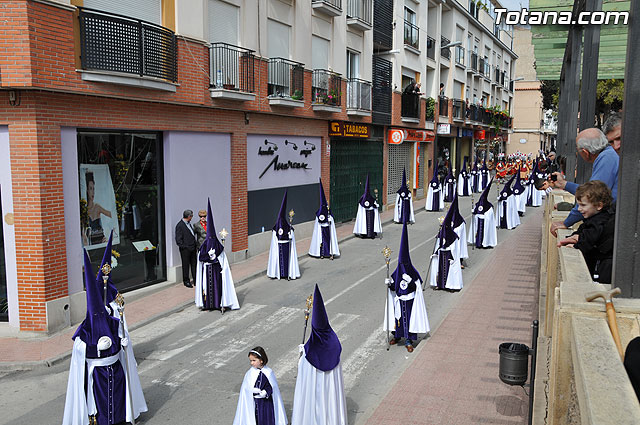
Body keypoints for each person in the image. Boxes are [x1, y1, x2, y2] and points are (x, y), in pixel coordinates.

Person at [63, 244, 147, 425]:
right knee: (100, 403)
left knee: (117, 396)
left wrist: (124, 341)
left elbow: (120, 335)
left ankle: (122, 417)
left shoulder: (112, 320)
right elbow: (78, 349)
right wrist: (92, 347)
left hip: (115, 369)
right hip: (98, 374)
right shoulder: (85, 329)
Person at [292, 284, 348, 425]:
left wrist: (302, 355)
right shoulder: (334, 341)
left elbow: (304, 373)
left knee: (315, 405)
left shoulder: (310, 349)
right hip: (330, 387)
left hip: (315, 387)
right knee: (329, 401)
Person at [549, 128, 619, 237]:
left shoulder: (606, 158)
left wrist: (566, 222)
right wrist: (563, 184)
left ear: (585, 152)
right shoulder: (608, 155)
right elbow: (591, 191)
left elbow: (592, 196)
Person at [557, 181, 615, 284]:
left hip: (603, 267)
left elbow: (588, 239)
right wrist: (574, 236)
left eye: (583, 205)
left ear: (599, 206)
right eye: (578, 205)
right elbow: (583, 230)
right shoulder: (595, 218)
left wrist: (577, 245)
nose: (579, 209)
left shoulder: (599, 221)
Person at [384, 223, 430, 352]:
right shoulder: (397, 272)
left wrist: (411, 282)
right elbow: (393, 287)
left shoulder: (412, 272)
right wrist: (389, 283)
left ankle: (409, 339)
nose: (403, 266)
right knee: (397, 319)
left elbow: (417, 287)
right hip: (399, 300)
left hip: (409, 301)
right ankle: (397, 336)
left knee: (409, 319)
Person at [195, 199, 239, 312]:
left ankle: (219, 303)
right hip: (207, 269)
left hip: (216, 271)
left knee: (217, 286)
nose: (203, 217)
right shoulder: (203, 246)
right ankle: (207, 304)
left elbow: (223, 260)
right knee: (206, 286)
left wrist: (222, 265)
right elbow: (201, 259)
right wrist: (206, 257)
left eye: (204, 216)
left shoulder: (218, 246)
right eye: (201, 216)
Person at [233, 346, 287, 425]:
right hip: (254, 402)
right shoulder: (250, 373)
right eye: (250, 361)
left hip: (266, 403)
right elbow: (245, 389)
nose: (252, 363)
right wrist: (252, 390)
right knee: (256, 419)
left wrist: (265, 392)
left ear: (261, 360)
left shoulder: (268, 372)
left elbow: (272, 387)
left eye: (254, 360)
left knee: (266, 419)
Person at [267, 190, 301, 280]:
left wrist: (290, 236)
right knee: (279, 260)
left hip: (286, 246)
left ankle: (287, 273)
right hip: (279, 246)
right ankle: (279, 273)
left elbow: (292, 237)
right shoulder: (276, 228)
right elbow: (274, 240)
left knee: (287, 260)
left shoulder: (288, 227)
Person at [429, 214, 463, 291]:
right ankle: (440, 284)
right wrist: (435, 253)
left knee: (449, 270)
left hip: (449, 255)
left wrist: (452, 255)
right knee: (440, 269)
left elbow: (454, 247)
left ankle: (451, 285)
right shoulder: (440, 234)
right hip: (441, 254)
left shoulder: (453, 235)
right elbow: (438, 245)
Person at [309, 178, 341, 259]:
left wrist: (330, 220)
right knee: (321, 241)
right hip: (321, 229)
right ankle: (321, 253)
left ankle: (330, 253)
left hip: (328, 228)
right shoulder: (319, 212)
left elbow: (331, 218)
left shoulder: (328, 211)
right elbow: (318, 221)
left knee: (328, 241)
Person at [467, 177, 497, 248]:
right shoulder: (478, 204)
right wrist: (473, 211)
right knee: (478, 231)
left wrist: (485, 215)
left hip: (485, 220)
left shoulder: (489, 206)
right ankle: (478, 243)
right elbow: (475, 212)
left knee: (484, 231)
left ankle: (485, 242)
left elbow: (490, 217)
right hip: (478, 219)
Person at [84, 171, 112, 245]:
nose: (93, 192)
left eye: (93, 188)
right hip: (91, 243)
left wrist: (110, 232)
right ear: (87, 190)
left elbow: (112, 215)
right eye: (90, 189)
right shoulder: (84, 210)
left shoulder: (97, 207)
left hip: (101, 241)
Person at [353, 174, 382, 238]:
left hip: (371, 213)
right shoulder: (364, 198)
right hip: (367, 213)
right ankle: (365, 233)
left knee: (370, 223)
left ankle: (370, 233)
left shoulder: (366, 198)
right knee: (366, 222)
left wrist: (374, 205)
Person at [175, 209, 198, 288]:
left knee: (194, 264)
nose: (192, 218)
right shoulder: (180, 225)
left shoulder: (189, 224)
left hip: (192, 248)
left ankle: (196, 279)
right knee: (186, 265)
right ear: (189, 216)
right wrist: (185, 247)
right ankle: (186, 281)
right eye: (191, 216)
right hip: (186, 250)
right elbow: (178, 240)